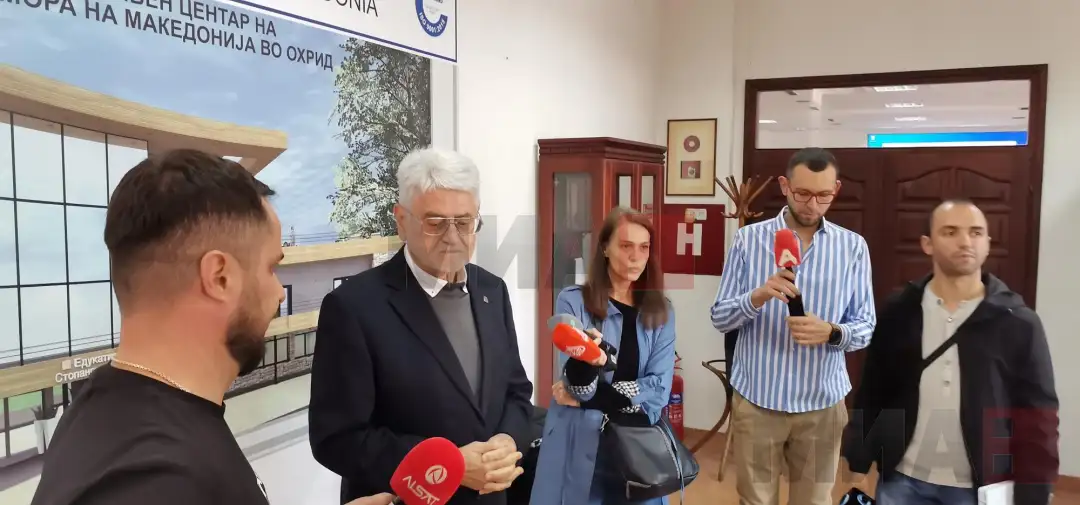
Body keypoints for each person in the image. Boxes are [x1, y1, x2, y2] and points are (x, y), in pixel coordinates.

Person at [29, 149, 393, 505]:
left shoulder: (102, 410)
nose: (279, 292)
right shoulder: (156, 481)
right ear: (219, 277)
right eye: (271, 268)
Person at [309, 147, 533, 505]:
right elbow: (336, 439)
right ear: (401, 221)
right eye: (435, 222)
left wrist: (508, 441)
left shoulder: (493, 291)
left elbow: (517, 393)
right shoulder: (353, 307)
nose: (452, 236)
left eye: (464, 222)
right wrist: (449, 464)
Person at [842, 199, 1058, 505]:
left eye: (976, 232)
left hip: (978, 488)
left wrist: (1036, 488)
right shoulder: (900, 311)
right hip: (902, 480)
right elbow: (874, 390)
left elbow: (1038, 414)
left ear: (987, 243)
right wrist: (858, 458)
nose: (965, 241)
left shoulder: (1017, 321)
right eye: (950, 232)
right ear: (927, 244)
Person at [711, 147, 876, 505]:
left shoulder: (853, 248)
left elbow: (866, 327)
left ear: (836, 190)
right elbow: (720, 317)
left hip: (822, 403)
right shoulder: (748, 240)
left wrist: (832, 332)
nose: (812, 205)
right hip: (758, 398)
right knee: (755, 502)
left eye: (823, 195)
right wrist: (757, 296)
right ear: (785, 186)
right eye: (802, 193)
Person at [530, 207, 677, 505]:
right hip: (578, 441)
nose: (636, 257)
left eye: (644, 247)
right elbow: (577, 387)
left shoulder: (662, 311)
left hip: (637, 446)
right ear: (605, 249)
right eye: (626, 246)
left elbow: (659, 391)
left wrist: (594, 397)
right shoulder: (572, 301)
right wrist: (609, 394)